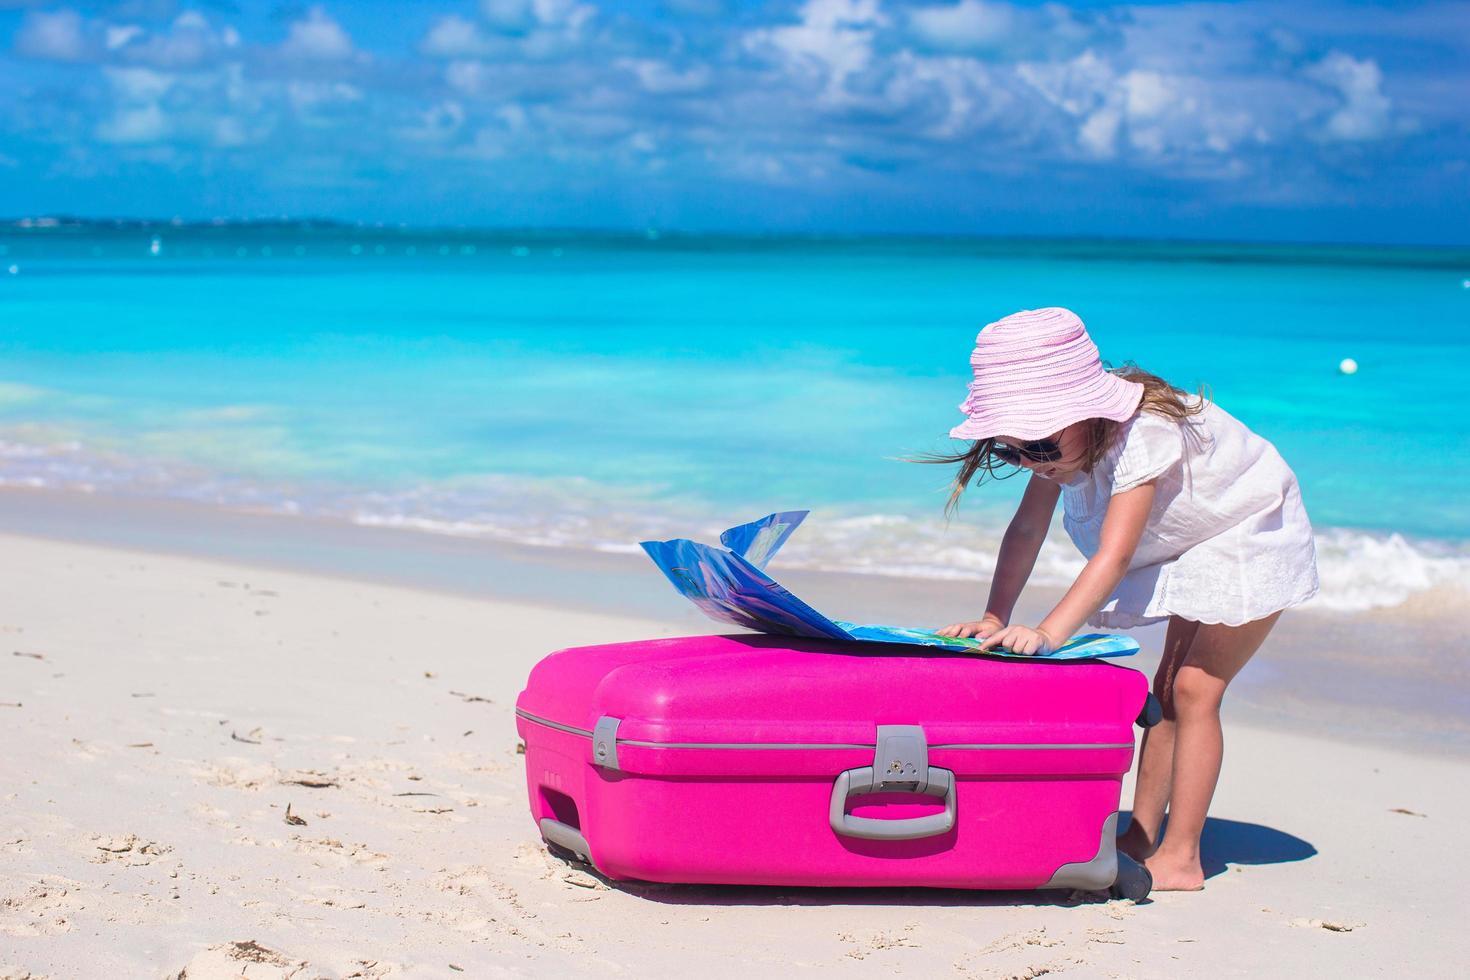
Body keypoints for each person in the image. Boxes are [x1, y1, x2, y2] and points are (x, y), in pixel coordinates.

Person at [927, 306, 1319, 891]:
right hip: (1192, 537)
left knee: (1194, 689)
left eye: (1036, 444)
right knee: (1164, 692)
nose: (1033, 460)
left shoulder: (1143, 434)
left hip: (1248, 526)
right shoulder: (1058, 442)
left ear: (1086, 411)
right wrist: (995, 615)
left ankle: (1183, 856)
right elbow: (1027, 530)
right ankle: (1140, 832)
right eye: (1012, 452)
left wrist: (1049, 632)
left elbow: (1112, 554)